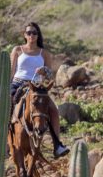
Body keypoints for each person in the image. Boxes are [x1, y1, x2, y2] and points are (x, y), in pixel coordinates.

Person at [10, 22, 69, 158]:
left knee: (53, 110)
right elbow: (11, 71)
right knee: (6, 105)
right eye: (29, 33)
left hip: (37, 87)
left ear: (38, 35)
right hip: (18, 84)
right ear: (25, 35)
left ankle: (57, 145)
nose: (32, 35)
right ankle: (0, 137)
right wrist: (6, 85)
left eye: (34, 33)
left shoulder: (44, 53)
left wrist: (44, 70)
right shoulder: (17, 50)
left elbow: (50, 75)